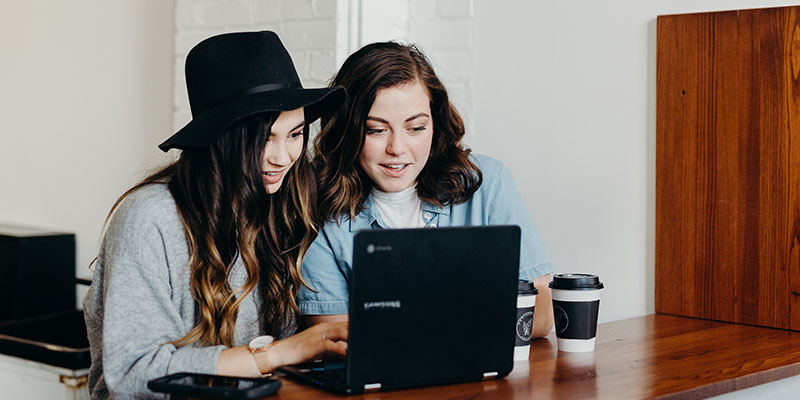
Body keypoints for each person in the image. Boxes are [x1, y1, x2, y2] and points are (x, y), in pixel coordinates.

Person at [83, 31, 348, 399]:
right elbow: (133, 374)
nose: (283, 156)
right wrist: (282, 352)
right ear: (221, 137)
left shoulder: (283, 205)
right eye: (265, 138)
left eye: (295, 134)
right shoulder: (149, 218)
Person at [299, 42, 555, 339]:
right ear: (348, 130)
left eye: (416, 128)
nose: (397, 149)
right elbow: (332, 338)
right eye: (376, 130)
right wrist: (472, 311)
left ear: (435, 124)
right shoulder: (318, 207)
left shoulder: (487, 182)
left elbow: (541, 314)